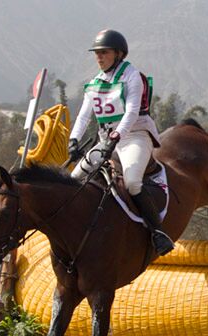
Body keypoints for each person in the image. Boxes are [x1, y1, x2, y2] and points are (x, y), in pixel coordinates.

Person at [69, 29, 174, 256]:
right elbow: (84, 116)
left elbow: (132, 112)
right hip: (107, 140)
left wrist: (116, 137)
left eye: (103, 52)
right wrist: (74, 139)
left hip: (134, 136)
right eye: (96, 53)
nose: (98, 57)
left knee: (133, 181)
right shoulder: (96, 82)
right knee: (73, 180)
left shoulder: (131, 76)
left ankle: (158, 232)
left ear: (118, 54)